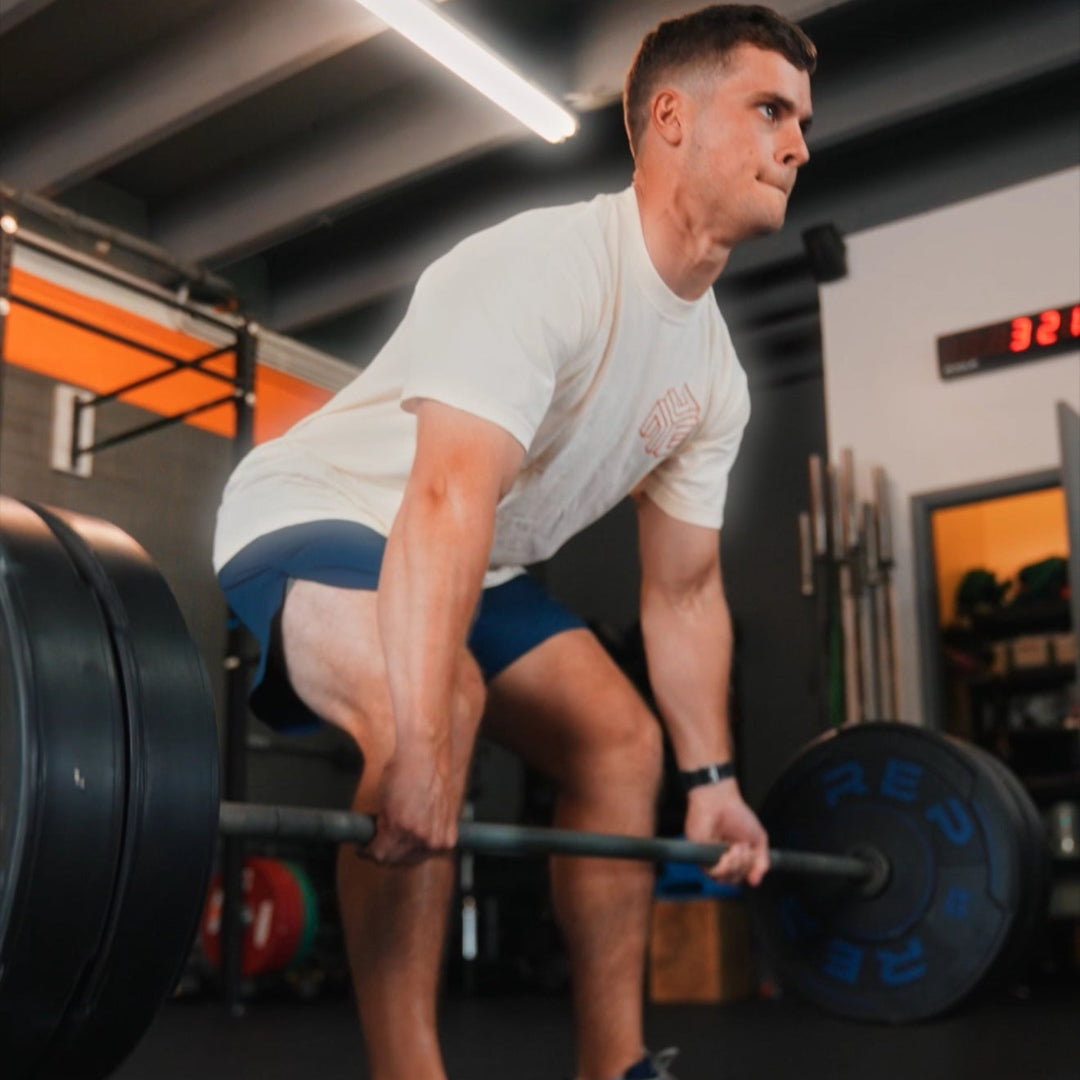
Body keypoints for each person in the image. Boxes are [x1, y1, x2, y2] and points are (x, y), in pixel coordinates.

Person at [212, 5, 815, 1078]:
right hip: (320, 513)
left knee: (621, 745)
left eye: (803, 121)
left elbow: (683, 593)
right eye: (771, 110)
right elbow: (446, 495)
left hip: (472, 552)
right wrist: (421, 743)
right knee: (437, 704)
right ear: (671, 118)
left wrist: (713, 777)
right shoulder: (542, 266)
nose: (798, 145)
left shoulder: (714, 378)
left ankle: (614, 1064)